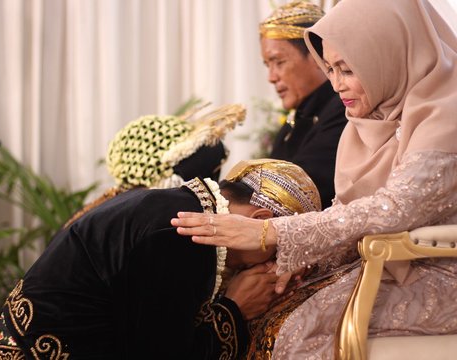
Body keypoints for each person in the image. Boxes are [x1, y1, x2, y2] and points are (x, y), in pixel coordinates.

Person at [172, 0, 457, 358]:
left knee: (298, 328)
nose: (337, 85)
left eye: (348, 70)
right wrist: (298, 264)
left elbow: (398, 208)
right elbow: (348, 209)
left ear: (387, 53)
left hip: (438, 269)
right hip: (378, 263)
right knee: (269, 307)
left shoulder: (445, 111)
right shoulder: (365, 123)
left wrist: (271, 232)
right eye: (331, 69)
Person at [0, 109, 322, 358]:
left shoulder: (181, 208)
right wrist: (234, 310)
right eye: (276, 247)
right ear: (259, 220)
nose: (272, 267)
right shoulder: (183, 233)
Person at [260, 0, 347, 209]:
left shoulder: (343, 109)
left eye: (279, 62)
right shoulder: (297, 118)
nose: (271, 77)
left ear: (318, 56)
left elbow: (293, 191)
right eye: (267, 65)